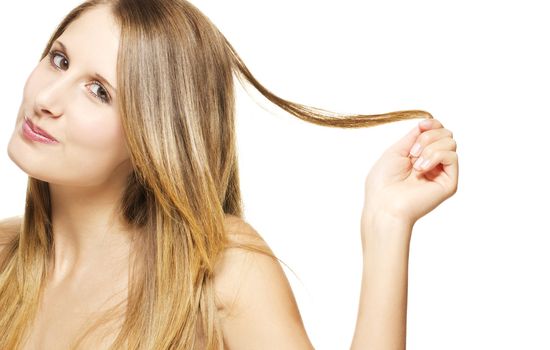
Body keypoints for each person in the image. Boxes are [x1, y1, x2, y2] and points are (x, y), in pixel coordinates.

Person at [0, 0, 459, 349]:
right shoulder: (5, 258)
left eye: (99, 91)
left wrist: (387, 226)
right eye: (59, 60)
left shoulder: (218, 271)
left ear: (155, 135)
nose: (46, 98)